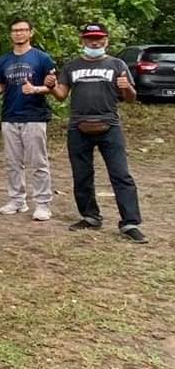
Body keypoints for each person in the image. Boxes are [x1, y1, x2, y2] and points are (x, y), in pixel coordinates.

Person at [44, 23, 147, 243]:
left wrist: (126, 87)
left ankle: (130, 223)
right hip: (78, 127)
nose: (95, 42)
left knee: (121, 175)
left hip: (110, 126)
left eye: (99, 38)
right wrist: (51, 86)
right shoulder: (72, 66)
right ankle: (90, 216)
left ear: (106, 40)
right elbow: (62, 94)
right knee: (82, 175)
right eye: (90, 38)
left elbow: (131, 97)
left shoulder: (116, 64)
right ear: (83, 40)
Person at [0, 18, 56, 220]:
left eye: (23, 30)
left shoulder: (42, 58)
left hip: (34, 115)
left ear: (30, 33)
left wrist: (35, 89)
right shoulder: (4, 60)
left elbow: (54, 88)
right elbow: (0, 85)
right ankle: (17, 200)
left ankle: (42, 204)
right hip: (9, 115)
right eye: (15, 30)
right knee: (12, 162)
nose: (19, 33)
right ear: (11, 34)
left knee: (38, 162)